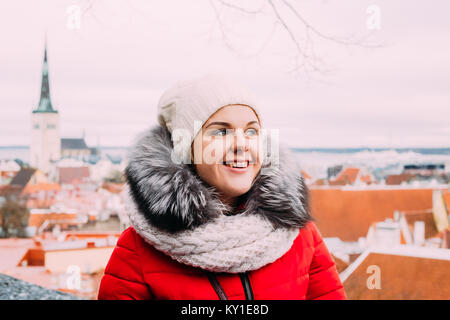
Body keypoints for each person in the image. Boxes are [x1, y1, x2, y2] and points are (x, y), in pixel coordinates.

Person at [98, 74, 347, 300]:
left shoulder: (299, 235)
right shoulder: (138, 250)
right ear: (185, 149)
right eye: (220, 132)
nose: (241, 145)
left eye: (251, 131)